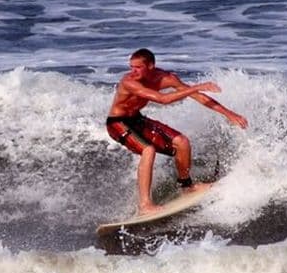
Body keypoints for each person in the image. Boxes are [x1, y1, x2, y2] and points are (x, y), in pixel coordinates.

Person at [106, 48, 248, 214]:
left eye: (138, 67)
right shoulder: (129, 82)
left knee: (182, 142)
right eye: (131, 67)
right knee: (148, 150)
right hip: (117, 123)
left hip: (137, 119)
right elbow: (163, 99)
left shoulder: (167, 78)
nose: (133, 71)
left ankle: (187, 187)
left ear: (150, 66)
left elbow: (199, 97)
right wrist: (197, 87)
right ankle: (145, 205)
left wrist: (228, 114)